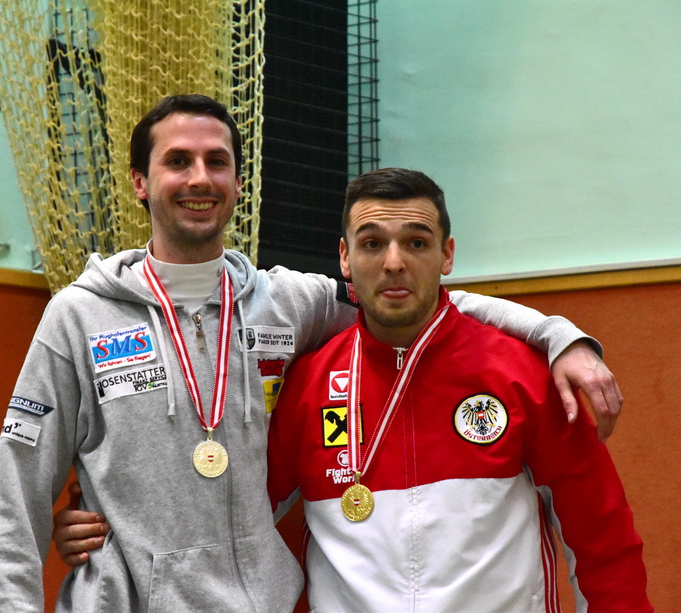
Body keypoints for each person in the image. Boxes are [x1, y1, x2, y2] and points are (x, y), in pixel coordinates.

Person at [0, 94, 622, 611]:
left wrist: (556, 335)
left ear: (238, 182)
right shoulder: (78, 316)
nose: (200, 178)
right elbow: (11, 505)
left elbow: (415, 304)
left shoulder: (285, 303)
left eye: (217, 161)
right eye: (178, 161)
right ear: (141, 182)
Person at [266, 168, 651, 611]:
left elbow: (602, 542)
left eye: (416, 243)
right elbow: (236, 530)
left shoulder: (522, 375)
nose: (394, 262)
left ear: (446, 255)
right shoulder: (306, 388)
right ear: (345, 258)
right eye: (372, 243)